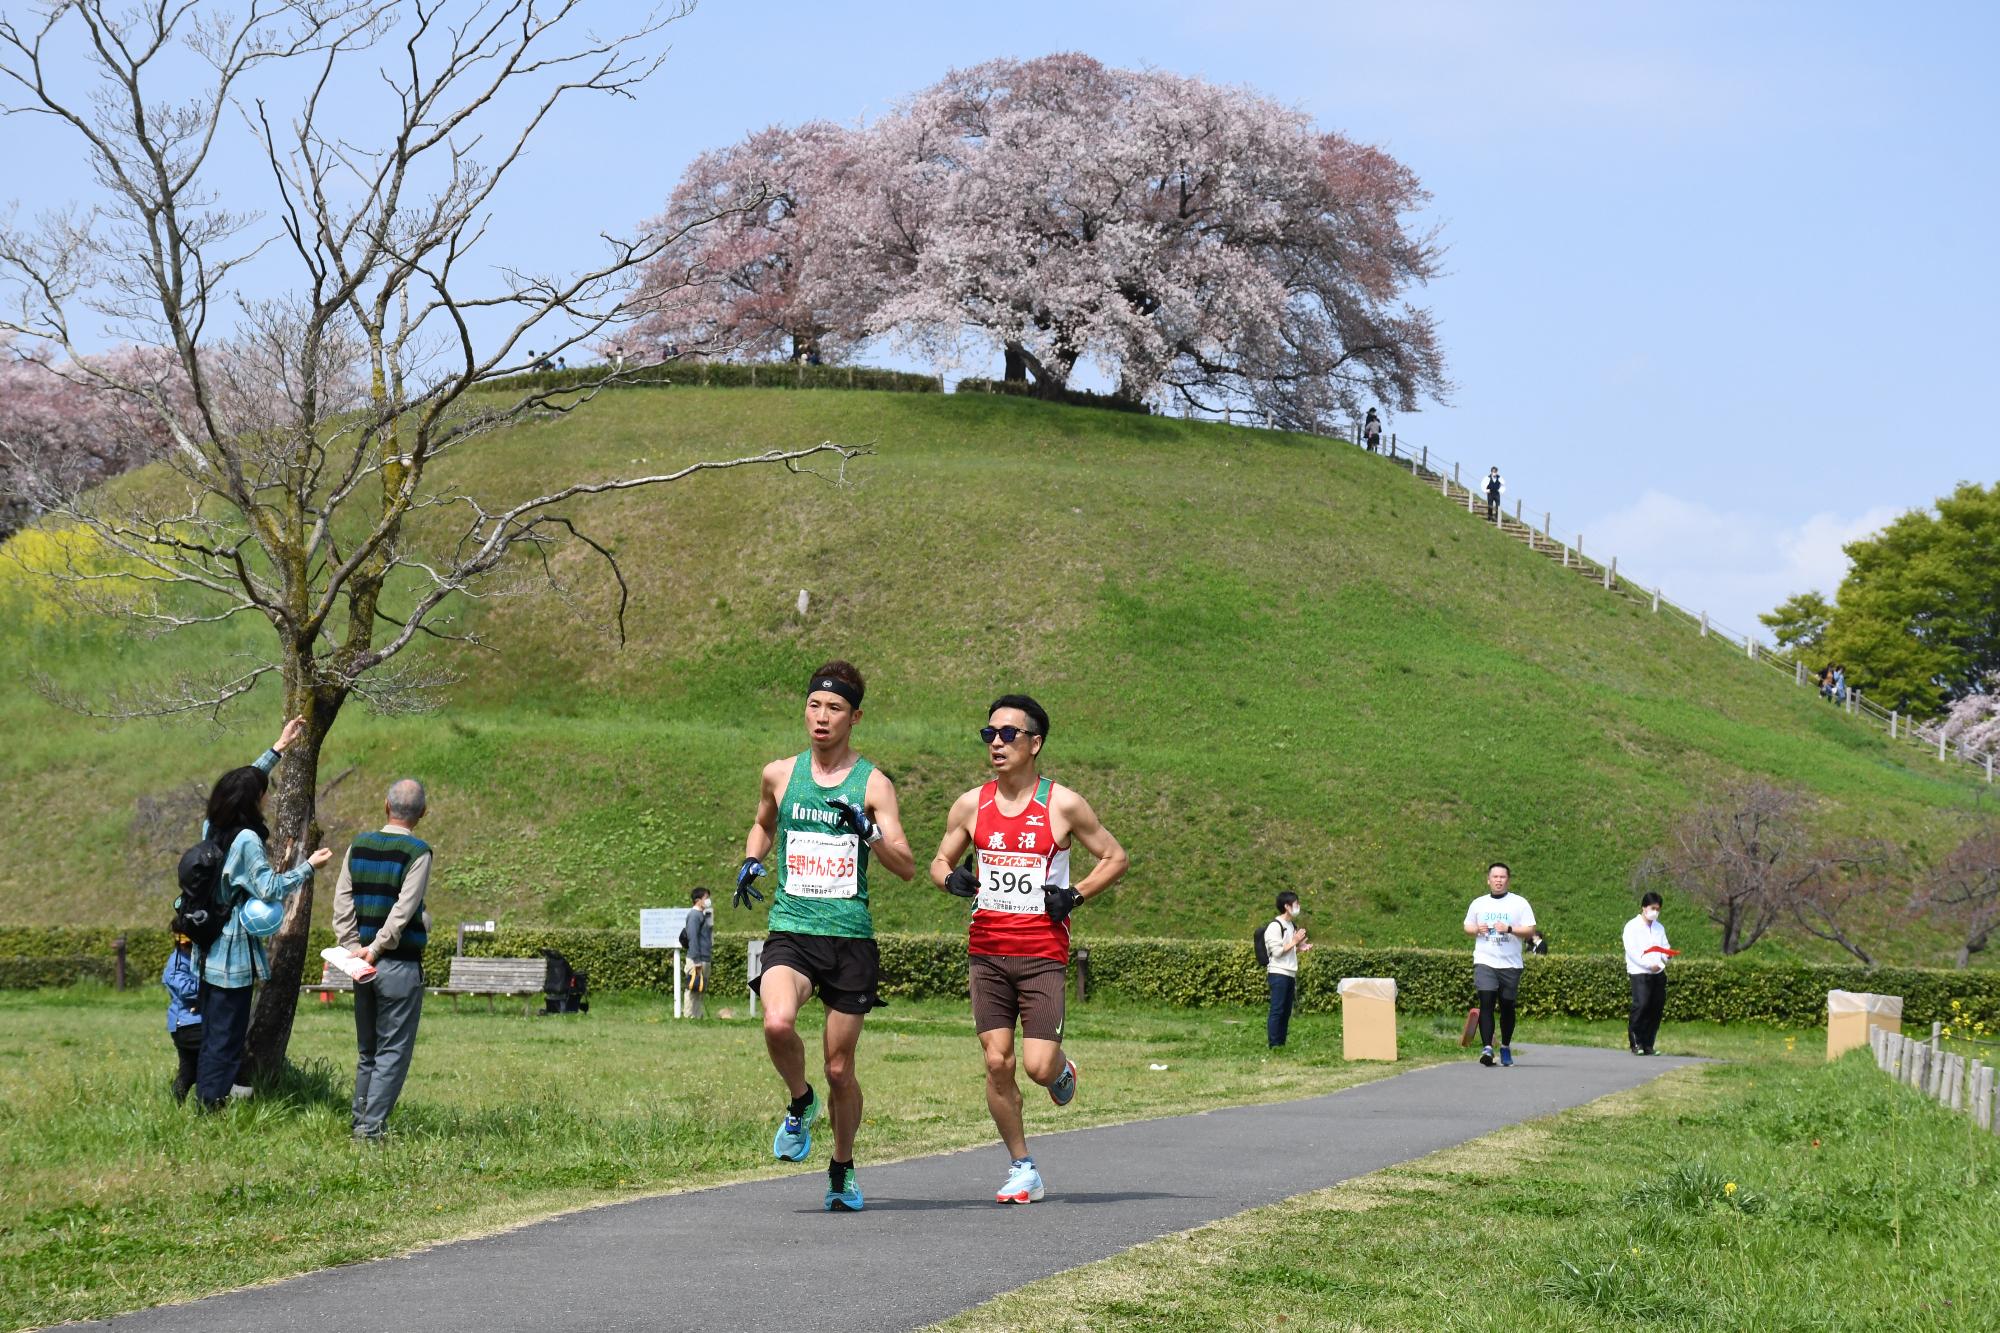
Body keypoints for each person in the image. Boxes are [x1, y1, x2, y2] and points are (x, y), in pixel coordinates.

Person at [929, 694, 1129, 1205]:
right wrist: (951, 879)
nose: (996, 743)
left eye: (1008, 734)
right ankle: (1023, 1167)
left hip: (1042, 952)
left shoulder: (1062, 804)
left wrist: (1074, 895)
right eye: (989, 734)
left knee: (1037, 1068)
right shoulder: (972, 804)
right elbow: (939, 859)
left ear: (1034, 743)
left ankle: (1062, 1069)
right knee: (998, 1062)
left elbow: (1114, 856)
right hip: (988, 951)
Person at [734, 661, 915, 1212]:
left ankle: (842, 1168)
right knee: (776, 1020)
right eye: (815, 705)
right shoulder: (781, 774)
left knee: (840, 1068)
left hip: (850, 939)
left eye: (834, 708)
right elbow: (765, 822)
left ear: (854, 717)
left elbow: (905, 865)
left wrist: (869, 829)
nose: (822, 716)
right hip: (792, 928)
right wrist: (751, 858)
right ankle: (799, 1100)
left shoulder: (874, 784)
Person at [192, 716, 332, 1110]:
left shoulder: (212, 826)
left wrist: (278, 748)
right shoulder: (248, 840)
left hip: (206, 950)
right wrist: (308, 868)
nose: (267, 798)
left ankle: (209, 1095)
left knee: (212, 1031)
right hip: (231, 954)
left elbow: (243, 783)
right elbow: (269, 888)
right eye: (263, 794)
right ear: (253, 802)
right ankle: (212, 1107)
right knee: (227, 1034)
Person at [333, 778, 434, 1141]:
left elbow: (343, 901)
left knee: (368, 1051)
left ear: (385, 806)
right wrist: (376, 949)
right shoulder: (418, 852)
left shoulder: (357, 846)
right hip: (398, 964)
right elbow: (403, 912)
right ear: (422, 813)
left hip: (360, 965)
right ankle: (369, 1129)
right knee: (393, 1050)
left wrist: (352, 949)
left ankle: (360, 1118)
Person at [1462, 861, 1536, 1068]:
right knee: (1486, 1002)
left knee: (1507, 1007)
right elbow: (1467, 926)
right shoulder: (1478, 903)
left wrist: (1510, 928)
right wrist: (1477, 928)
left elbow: (1530, 929)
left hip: (1510, 964)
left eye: (1502, 877)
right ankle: (1487, 1048)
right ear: (1488, 880)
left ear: (1508, 880)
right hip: (1485, 960)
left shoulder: (1519, 903)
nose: (1498, 881)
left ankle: (1504, 1046)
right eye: (1495, 877)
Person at [1623, 891, 1671, 1055]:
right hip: (1639, 972)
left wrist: (1664, 958)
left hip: (1658, 973)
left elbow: (1665, 947)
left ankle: (1648, 1043)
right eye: (1652, 908)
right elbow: (1632, 951)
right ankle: (1636, 1042)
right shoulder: (1632, 926)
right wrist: (1647, 965)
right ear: (1644, 907)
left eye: (1658, 909)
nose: (1655, 912)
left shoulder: (1659, 928)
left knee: (1655, 1007)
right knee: (1641, 1005)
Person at [1263, 891, 1309, 1049]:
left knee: (1286, 1011)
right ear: (1286, 906)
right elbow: (1277, 952)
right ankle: (1274, 1044)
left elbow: (1288, 949)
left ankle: (1281, 1043)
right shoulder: (1275, 926)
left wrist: (1299, 947)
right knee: (1277, 1009)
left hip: (1290, 973)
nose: (1298, 907)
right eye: (1296, 904)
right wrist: (1295, 941)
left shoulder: (1291, 925)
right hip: (1278, 973)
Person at [162, 933, 203, 1103]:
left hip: (192, 1022)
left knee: (189, 1072)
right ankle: (208, 1103)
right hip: (188, 1024)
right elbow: (186, 989)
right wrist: (211, 985)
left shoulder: (194, 956)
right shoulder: (177, 962)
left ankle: (173, 1106)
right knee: (214, 1060)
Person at [685, 887, 714, 1018]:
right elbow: (693, 938)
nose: (708, 900)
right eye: (706, 898)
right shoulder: (694, 916)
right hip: (697, 959)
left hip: (705, 958)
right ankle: (689, 1015)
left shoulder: (702, 915)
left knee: (700, 989)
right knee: (693, 988)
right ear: (698, 901)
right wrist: (696, 960)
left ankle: (697, 1015)